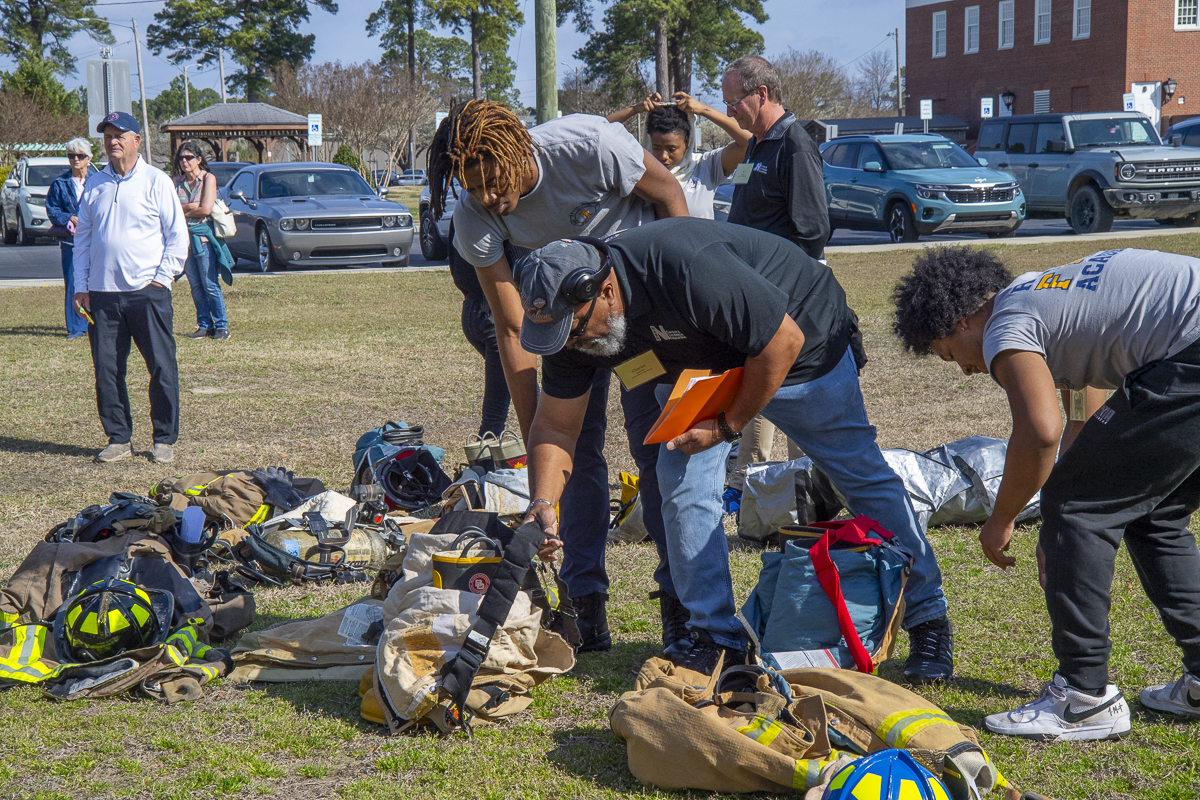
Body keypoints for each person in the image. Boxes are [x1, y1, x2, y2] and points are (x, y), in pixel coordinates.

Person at [516, 218, 953, 680]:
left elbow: (783, 342)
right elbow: (557, 428)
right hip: (703, 366)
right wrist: (542, 503)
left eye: (578, 329)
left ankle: (928, 618)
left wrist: (727, 427)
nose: (575, 342)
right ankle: (717, 636)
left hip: (800, 346)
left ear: (605, 290)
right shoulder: (568, 325)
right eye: (562, 334)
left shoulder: (684, 266)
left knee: (857, 473)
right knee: (680, 487)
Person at [893, 246, 1200, 740]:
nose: (965, 370)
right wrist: (1064, 527)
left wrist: (1003, 520)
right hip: (1187, 345)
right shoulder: (1047, 301)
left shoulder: (1004, 325)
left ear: (962, 320)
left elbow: (1040, 432)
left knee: (1076, 506)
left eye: (950, 354)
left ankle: (1083, 699)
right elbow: (1083, 419)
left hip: (1191, 350)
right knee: (1155, 513)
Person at [427, 100, 690, 655]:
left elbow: (668, 196)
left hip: (635, 316)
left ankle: (681, 602)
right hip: (565, 333)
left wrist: (680, 313)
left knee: (657, 448)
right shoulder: (476, 215)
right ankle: (584, 602)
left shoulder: (590, 146)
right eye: (475, 189)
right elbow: (509, 327)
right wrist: (538, 435)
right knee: (577, 459)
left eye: (496, 181)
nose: (492, 199)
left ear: (520, 147)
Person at [73, 111, 189, 464]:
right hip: (103, 295)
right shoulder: (95, 183)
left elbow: (177, 237)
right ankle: (118, 437)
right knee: (107, 369)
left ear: (137, 140)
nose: (113, 141)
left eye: (120, 135)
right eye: (108, 135)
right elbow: (84, 239)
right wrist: (82, 286)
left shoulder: (156, 181)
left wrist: (160, 279)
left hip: (147, 292)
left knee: (161, 366)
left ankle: (164, 439)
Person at [722, 55, 829, 260]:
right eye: (726, 104)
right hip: (752, 273)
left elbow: (813, 233)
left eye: (734, 103)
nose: (729, 112)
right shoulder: (755, 142)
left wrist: (778, 277)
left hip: (778, 282)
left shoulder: (795, 148)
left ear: (762, 94)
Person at [606, 91, 751, 219]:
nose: (663, 156)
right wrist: (634, 109)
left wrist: (704, 110)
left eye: (671, 149)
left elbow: (747, 143)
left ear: (687, 142)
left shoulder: (706, 165)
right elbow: (597, 134)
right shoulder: (639, 169)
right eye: (657, 148)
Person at [173, 141, 233, 340]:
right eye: (182, 158)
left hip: (204, 239)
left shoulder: (208, 178)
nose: (184, 161)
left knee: (209, 283)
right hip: (184, 239)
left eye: (189, 157)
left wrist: (184, 208)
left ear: (199, 160)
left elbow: (206, 209)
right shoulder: (176, 182)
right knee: (195, 285)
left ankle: (221, 326)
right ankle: (204, 324)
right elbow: (170, 210)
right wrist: (193, 206)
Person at [45, 137, 94, 340]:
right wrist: (69, 217)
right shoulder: (60, 183)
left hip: (95, 240)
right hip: (71, 242)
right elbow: (52, 210)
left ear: (88, 159)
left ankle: (96, 323)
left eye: (80, 156)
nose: (75, 159)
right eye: (71, 155)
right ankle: (77, 326)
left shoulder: (98, 180)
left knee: (98, 282)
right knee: (74, 283)